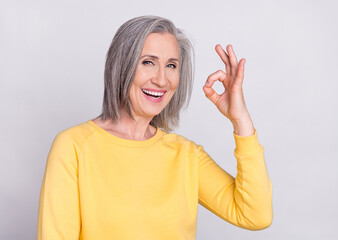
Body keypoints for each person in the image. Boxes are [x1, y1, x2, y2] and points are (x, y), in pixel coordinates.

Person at [37, 16, 272, 240]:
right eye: (148, 62)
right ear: (121, 67)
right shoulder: (73, 147)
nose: (162, 80)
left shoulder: (186, 156)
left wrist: (240, 119)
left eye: (171, 65)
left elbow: (255, 215)